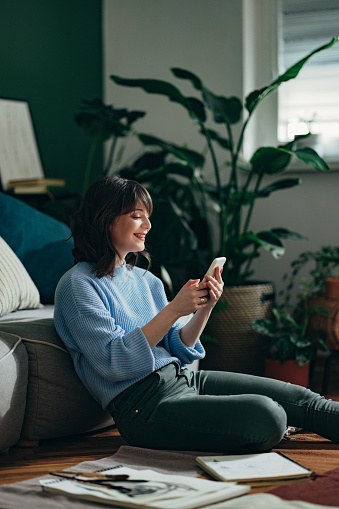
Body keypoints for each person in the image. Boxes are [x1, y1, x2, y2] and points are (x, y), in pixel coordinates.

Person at [54, 176, 339, 453]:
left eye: (147, 216)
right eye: (137, 216)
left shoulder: (145, 280)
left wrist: (205, 308)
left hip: (184, 380)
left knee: (303, 399)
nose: (148, 225)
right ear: (106, 219)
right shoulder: (77, 285)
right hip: (143, 407)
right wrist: (175, 309)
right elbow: (113, 363)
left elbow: (180, 345)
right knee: (269, 416)